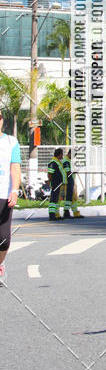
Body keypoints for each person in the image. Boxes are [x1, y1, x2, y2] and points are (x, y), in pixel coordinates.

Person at [0, 110, 21, 285]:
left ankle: (0, 263)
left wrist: (14, 190)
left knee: (3, 238)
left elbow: (15, 168)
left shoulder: (11, 142)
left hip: (3, 195)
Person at [62, 149, 84, 218]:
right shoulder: (66, 161)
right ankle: (66, 212)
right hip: (68, 180)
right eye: (73, 155)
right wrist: (74, 171)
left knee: (73, 197)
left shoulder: (68, 161)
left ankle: (75, 212)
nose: (73, 157)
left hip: (70, 180)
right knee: (69, 197)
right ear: (69, 154)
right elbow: (68, 172)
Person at [47, 147, 67, 220]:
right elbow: (50, 174)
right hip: (55, 184)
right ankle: (52, 215)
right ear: (59, 155)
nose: (62, 156)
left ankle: (56, 214)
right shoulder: (53, 162)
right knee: (53, 199)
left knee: (57, 200)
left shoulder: (58, 162)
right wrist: (51, 182)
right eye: (62, 154)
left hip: (59, 183)